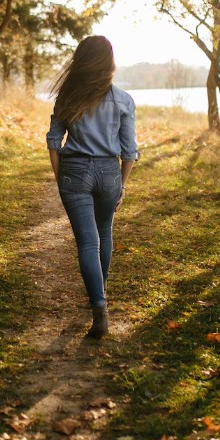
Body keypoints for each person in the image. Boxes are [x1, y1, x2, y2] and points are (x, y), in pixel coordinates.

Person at [46, 36, 139, 339]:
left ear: (81, 61)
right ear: (109, 63)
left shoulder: (67, 98)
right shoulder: (124, 100)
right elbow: (129, 152)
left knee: (88, 242)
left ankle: (99, 307)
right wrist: (122, 184)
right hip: (109, 172)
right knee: (105, 233)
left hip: (74, 171)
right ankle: (100, 295)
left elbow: (53, 142)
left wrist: (62, 179)